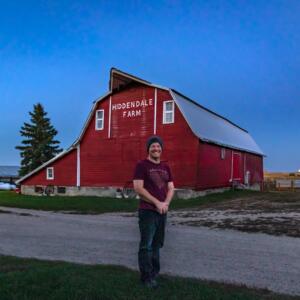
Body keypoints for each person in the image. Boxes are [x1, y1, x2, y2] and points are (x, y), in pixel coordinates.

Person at [133, 136, 174, 288]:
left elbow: (170, 188)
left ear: (161, 149)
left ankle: (154, 274)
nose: (156, 149)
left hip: (162, 211)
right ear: (148, 149)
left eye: (158, 146)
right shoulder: (142, 165)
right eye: (153, 147)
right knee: (146, 246)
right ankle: (146, 278)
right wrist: (157, 203)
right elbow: (138, 188)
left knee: (157, 244)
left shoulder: (166, 167)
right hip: (148, 211)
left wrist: (166, 203)